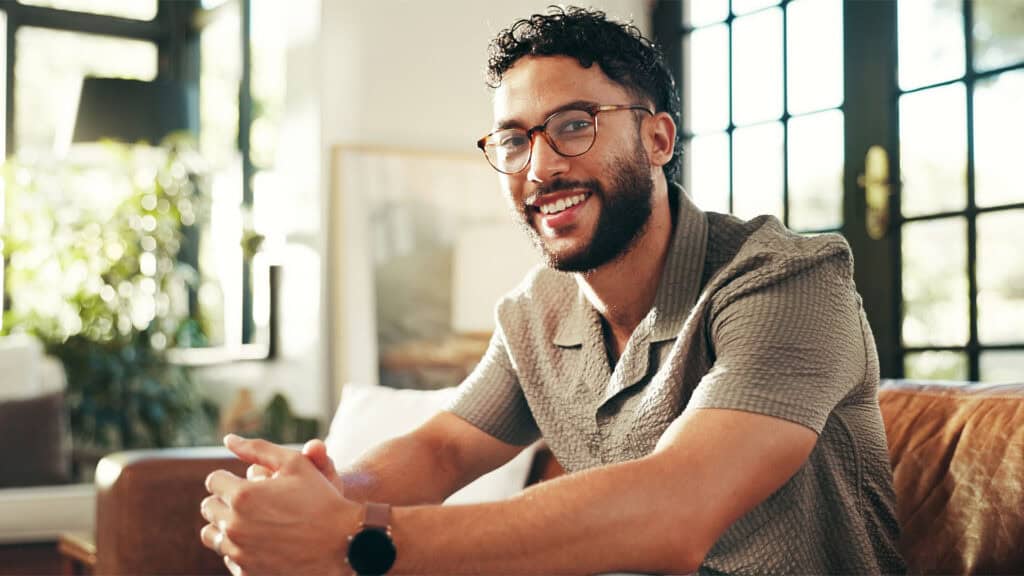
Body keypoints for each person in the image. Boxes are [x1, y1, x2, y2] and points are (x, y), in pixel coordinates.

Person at [200, 6, 905, 575]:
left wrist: (357, 534)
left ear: (658, 138)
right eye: (513, 140)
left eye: (574, 126)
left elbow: (676, 510)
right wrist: (325, 497)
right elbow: (444, 449)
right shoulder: (535, 311)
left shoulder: (789, 278)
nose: (539, 168)